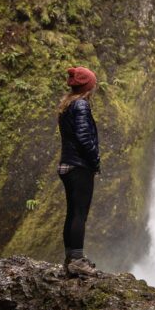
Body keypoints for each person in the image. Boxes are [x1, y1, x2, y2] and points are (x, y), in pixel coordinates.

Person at [57, 66, 100, 278]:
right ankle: (77, 261)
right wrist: (95, 160)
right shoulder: (81, 105)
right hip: (79, 166)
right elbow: (84, 138)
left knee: (72, 212)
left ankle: (70, 258)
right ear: (88, 87)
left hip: (66, 165)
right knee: (79, 214)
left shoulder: (67, 105)